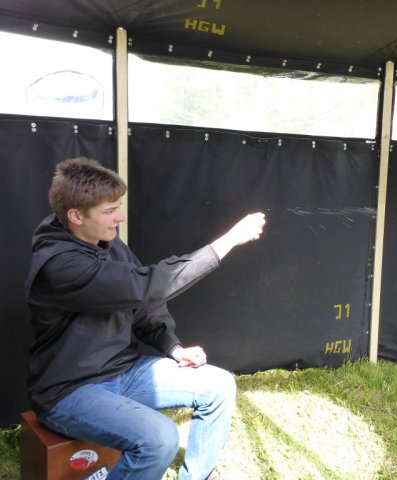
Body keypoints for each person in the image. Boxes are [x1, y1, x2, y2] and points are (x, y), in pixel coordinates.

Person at [25, 157, 266, 479]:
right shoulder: (60, 266)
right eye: (110, 211)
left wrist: (173, 347)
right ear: (76, 216)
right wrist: (228, 241)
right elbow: (146, 286)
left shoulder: (106, 242)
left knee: (218, 385)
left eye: (118, 207)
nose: (120, 217)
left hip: (123, 371)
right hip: (70, 391)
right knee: (159, 439)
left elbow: (142, 306)